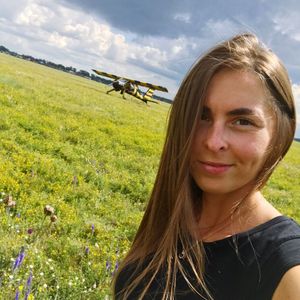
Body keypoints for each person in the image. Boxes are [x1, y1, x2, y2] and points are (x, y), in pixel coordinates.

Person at [113, 33, 300, 299]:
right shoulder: (172, 217)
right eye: (201, 116)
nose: (213, 142)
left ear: (280, 134)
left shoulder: (285, 268)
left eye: (242, 121)